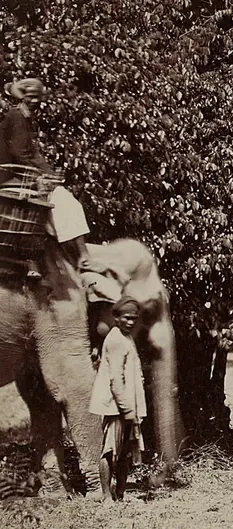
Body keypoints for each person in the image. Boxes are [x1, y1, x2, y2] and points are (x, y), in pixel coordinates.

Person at [0, 78, 106, 278]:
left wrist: (49, 173)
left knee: (58, 195)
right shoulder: (16, 117)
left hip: (19, 174)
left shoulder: (25, 119)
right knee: (65, 201)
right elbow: (19, 153)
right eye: (30, 97)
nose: (34, 102)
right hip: (10, 176)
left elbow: (32, 154)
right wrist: (41, 176)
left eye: (37, 98)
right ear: (23, 97)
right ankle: (82, 255)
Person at [88, 295, 147, 503]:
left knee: (125, 454)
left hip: (129, 405)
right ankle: (106, 497)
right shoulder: (115, 339)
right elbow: (116, 379)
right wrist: (126, 409)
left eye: (134, 318)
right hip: (117, 407)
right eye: (126, 317)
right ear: (116, 317)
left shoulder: (126, 337)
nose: (131, 322)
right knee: (110, 450)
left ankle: (120, 495)